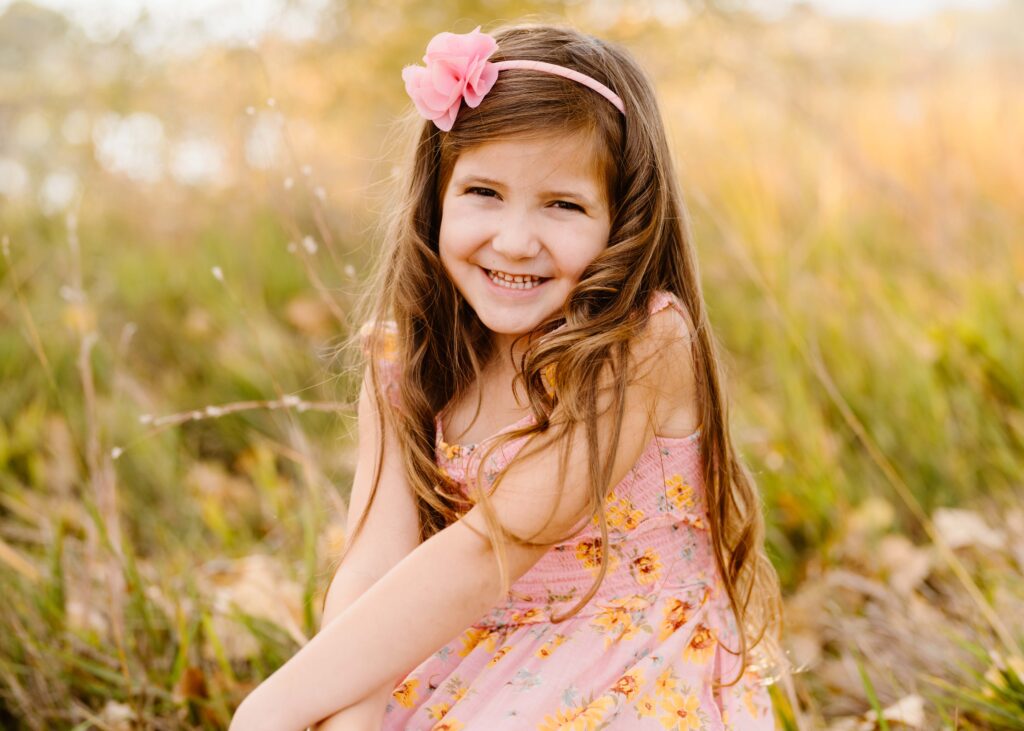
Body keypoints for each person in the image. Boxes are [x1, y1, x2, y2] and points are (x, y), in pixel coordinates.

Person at [229, 21, 785, 731]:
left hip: (628, 668)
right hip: (459, 651)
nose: (515, 241)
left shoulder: (643, 344)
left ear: (624, 221)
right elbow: (373, 564)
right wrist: (352, 715)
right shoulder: (405, 360)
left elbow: (491, 545)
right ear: (436, 197)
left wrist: (269, 706)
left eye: (563, 204)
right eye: (484, 192)